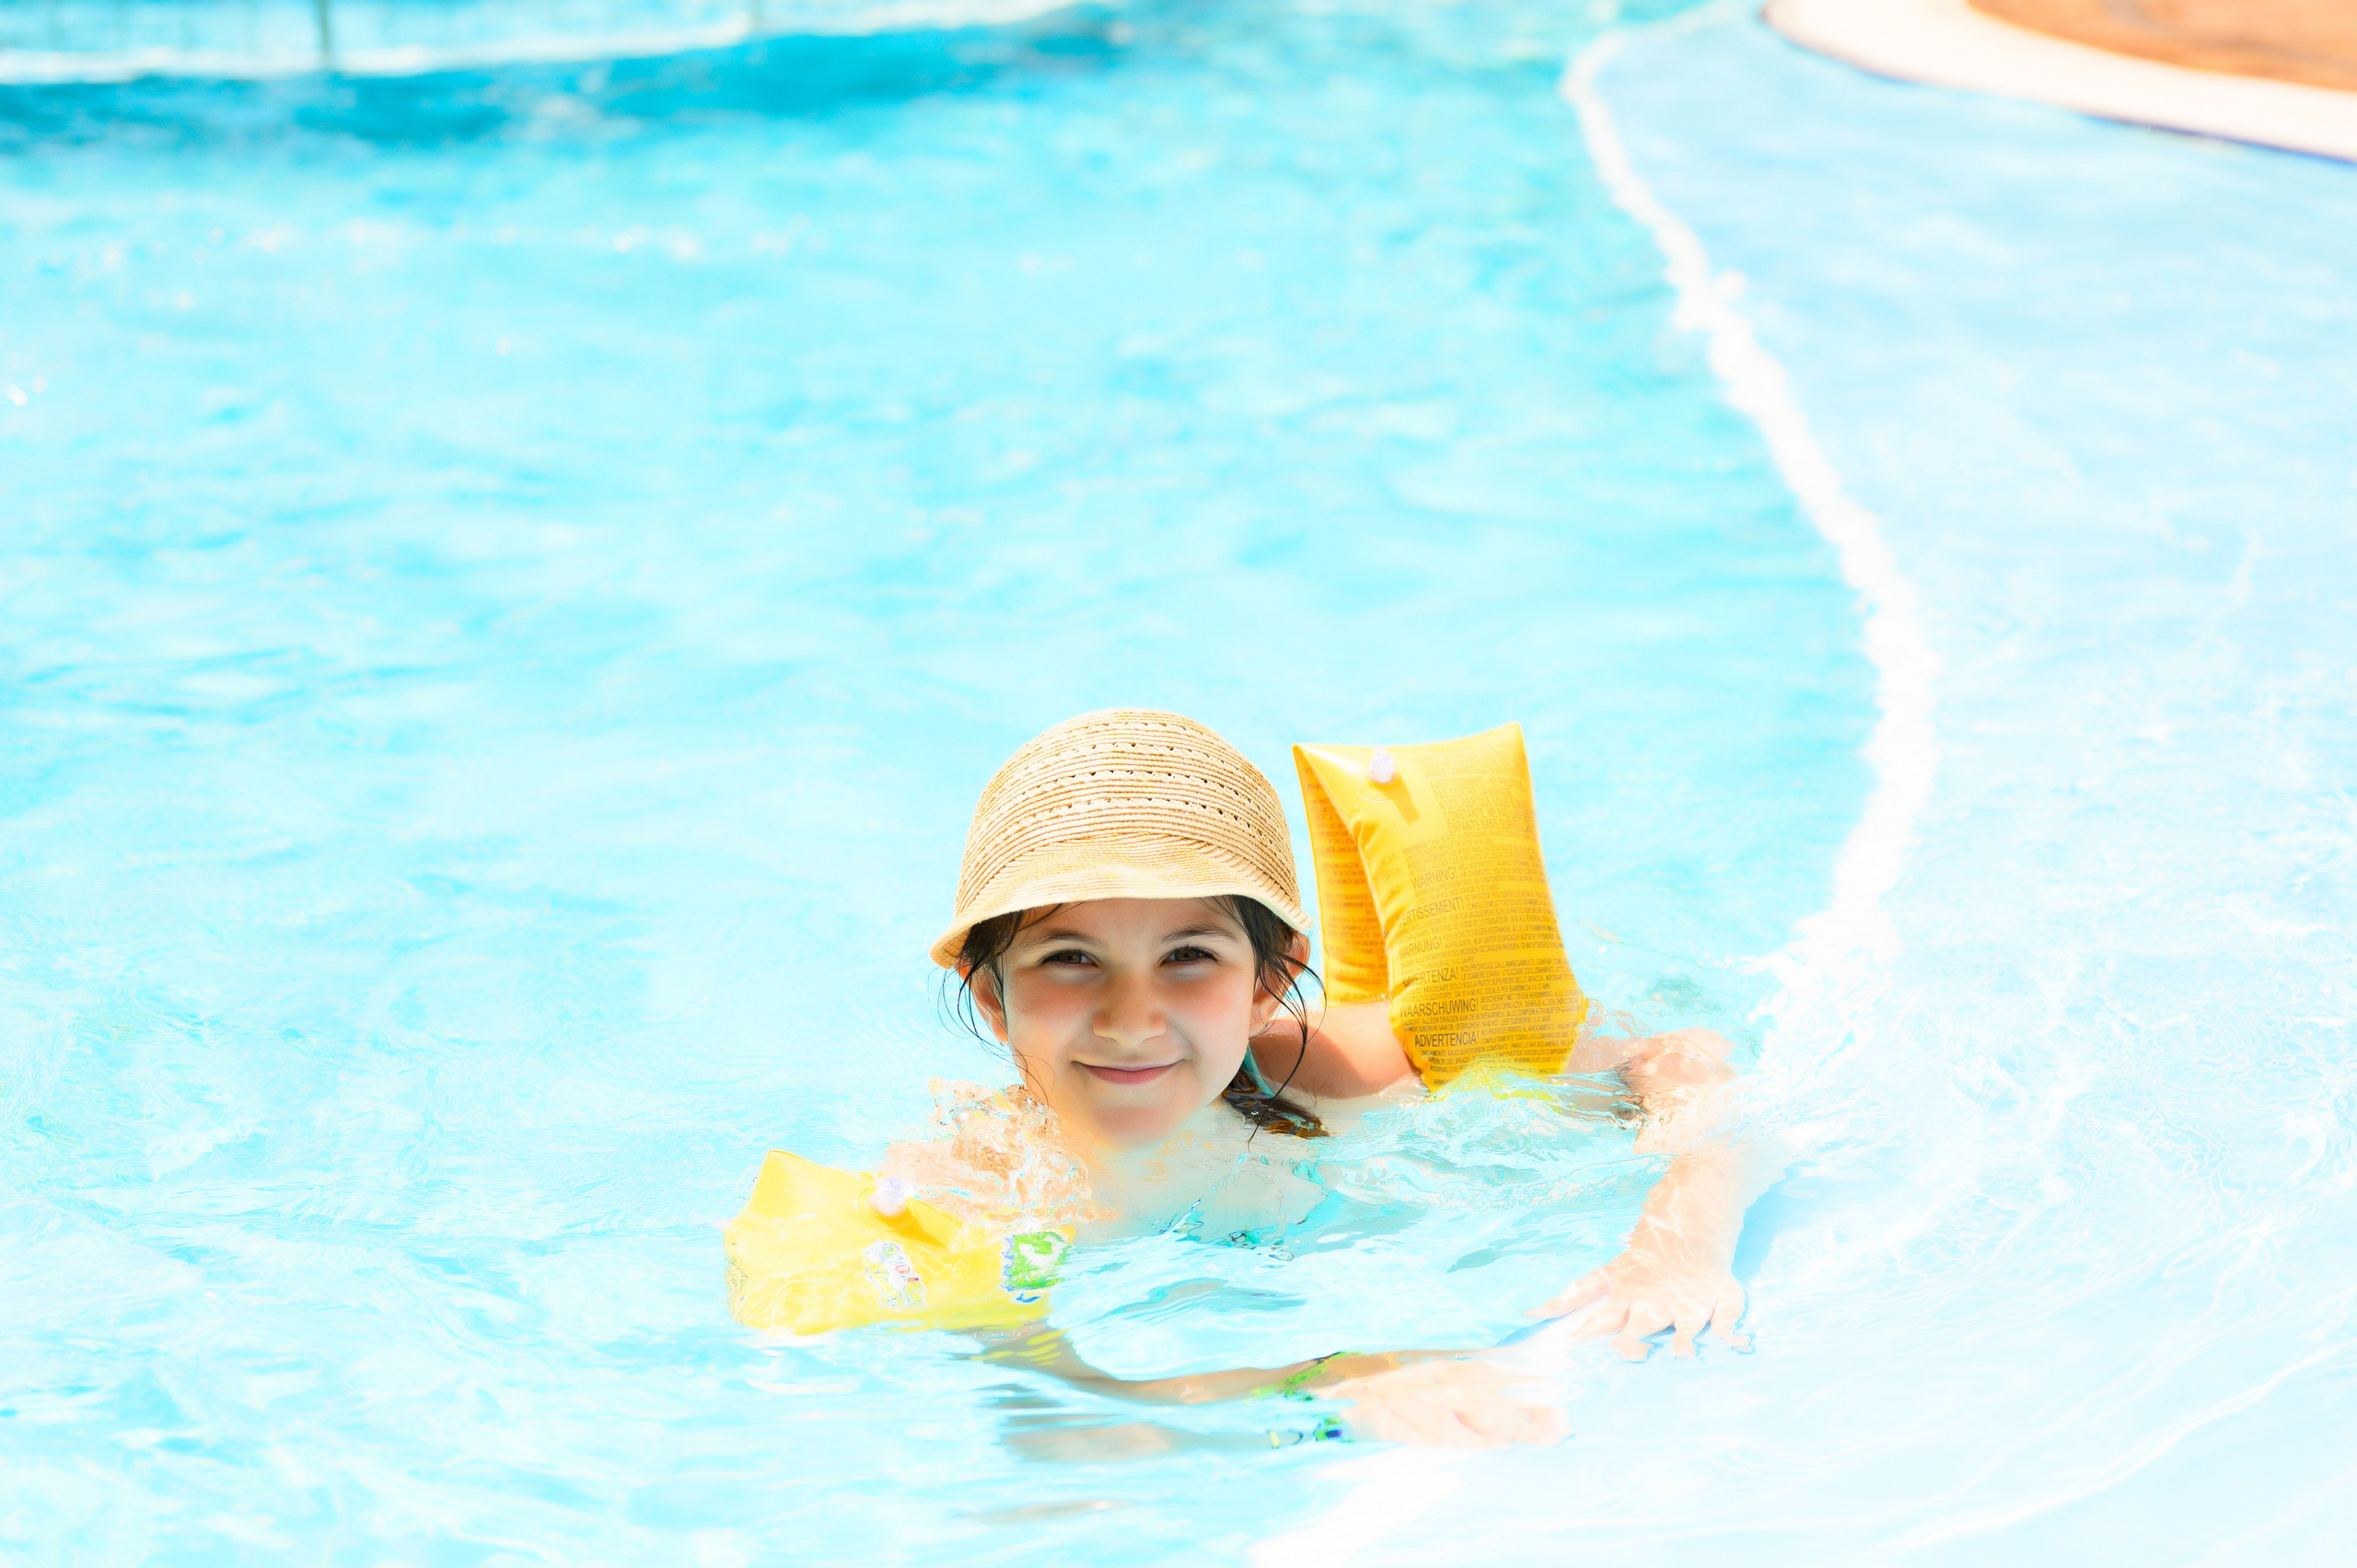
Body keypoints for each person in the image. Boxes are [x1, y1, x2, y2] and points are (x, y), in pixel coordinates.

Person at [876, 709, 1781, 1451]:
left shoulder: (1321, 1073)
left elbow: (1678, 1057)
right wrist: (1336, 1376)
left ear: (1268, 980)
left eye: (1188, 954)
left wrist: (1678, 1241)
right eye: (1070, 958)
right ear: (990, 1000)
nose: (1133, 1015)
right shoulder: (986, 1190)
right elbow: (1057, 1413)